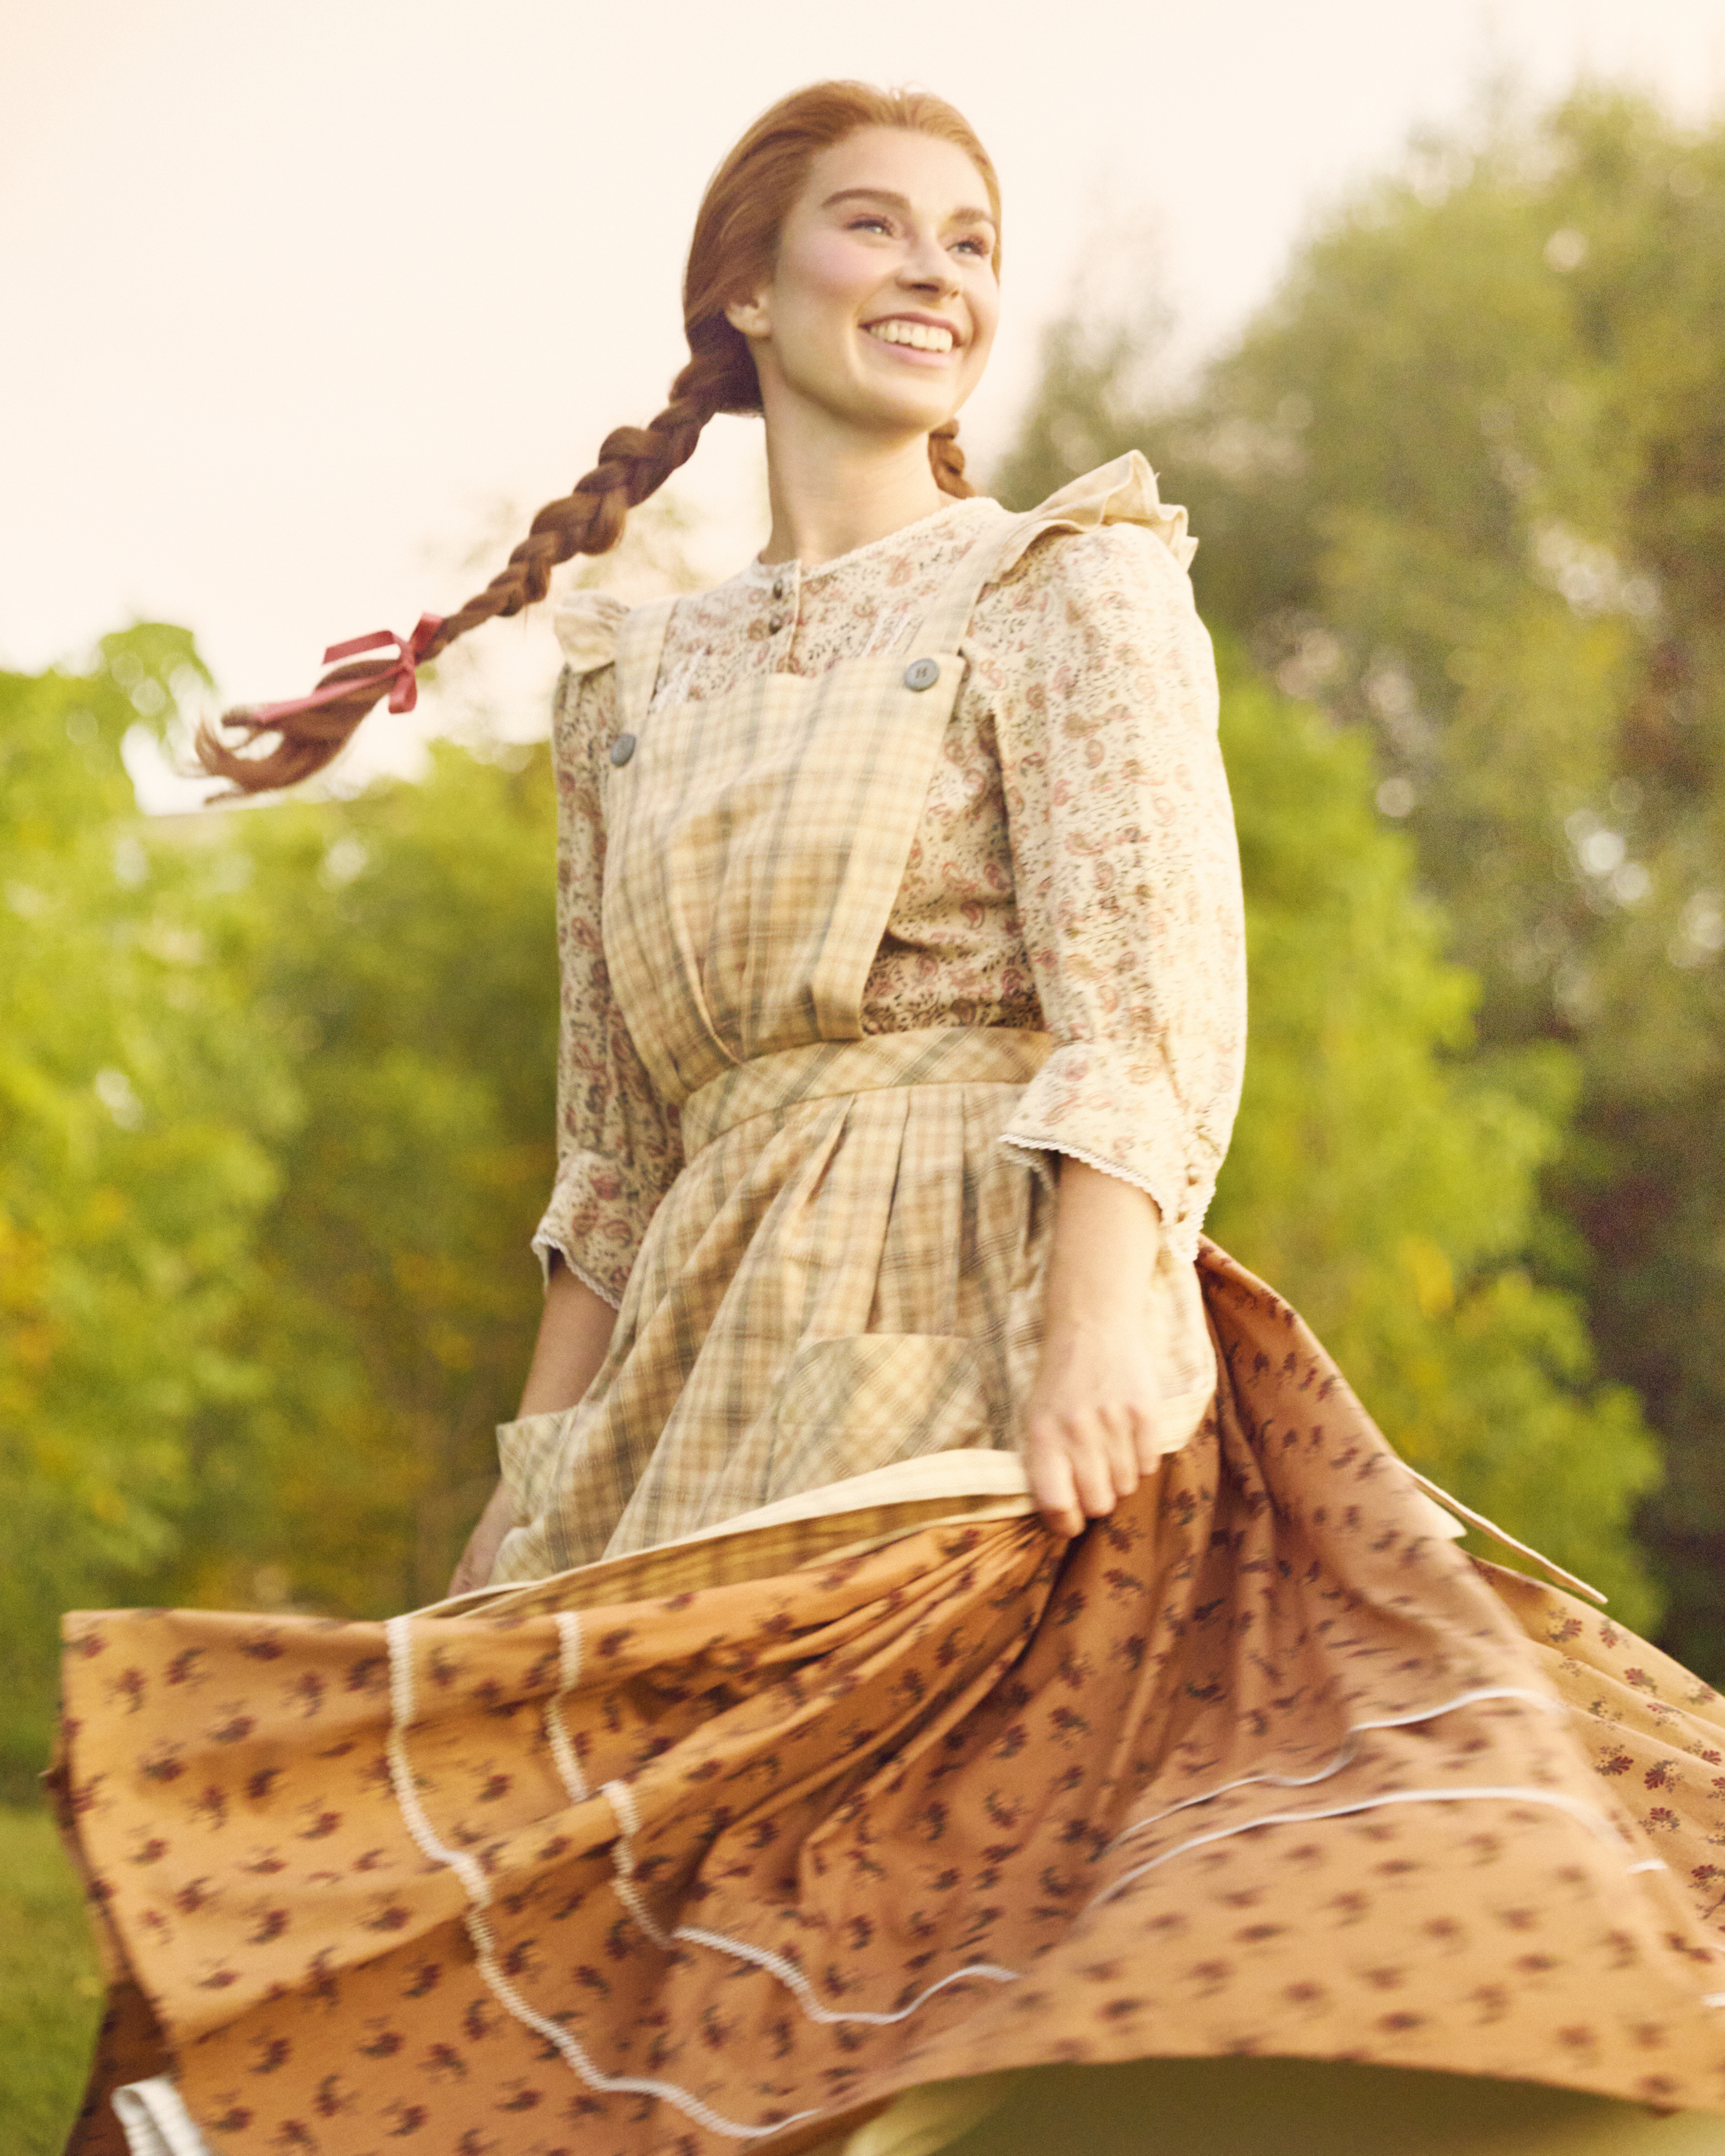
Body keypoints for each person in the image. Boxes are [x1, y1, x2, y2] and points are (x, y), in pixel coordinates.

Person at [54, 80, 1725, 2156]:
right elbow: (615, 1142)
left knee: (912, 1902)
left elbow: (1150, 980)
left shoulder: (1066, 582)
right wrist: (537, 1467)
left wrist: (1101, 1320)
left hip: (978, 1301)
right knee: (626, 1916)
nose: (935, 272)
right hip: (698, 1349)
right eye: (877, 226)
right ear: (747, 288)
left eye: (971, 240)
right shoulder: (628, 683)